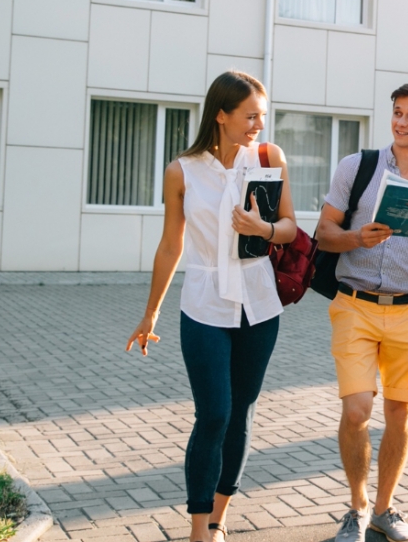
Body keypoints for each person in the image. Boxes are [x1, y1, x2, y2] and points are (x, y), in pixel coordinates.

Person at [125, 70, 298, 542]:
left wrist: (261, 229)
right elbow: (169, 246)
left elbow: (289, 227)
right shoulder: (182, 170)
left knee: (241, 411)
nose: (258, 124)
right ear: (221, 115)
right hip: (203, 304)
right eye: (250, 115)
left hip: (259, 304)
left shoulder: (268, 157)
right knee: (214, 413)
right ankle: (198, 528)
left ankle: (219, 520)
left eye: (262, 115)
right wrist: (150, 312)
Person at [314, 81, 408, 542]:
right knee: (357, 410)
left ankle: (384, 509)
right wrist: (358, 238)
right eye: (397, 112)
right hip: (354, 304)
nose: (401, 122)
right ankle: (356, 509)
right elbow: (322, 234)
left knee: (399, 413)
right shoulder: (357, 167)